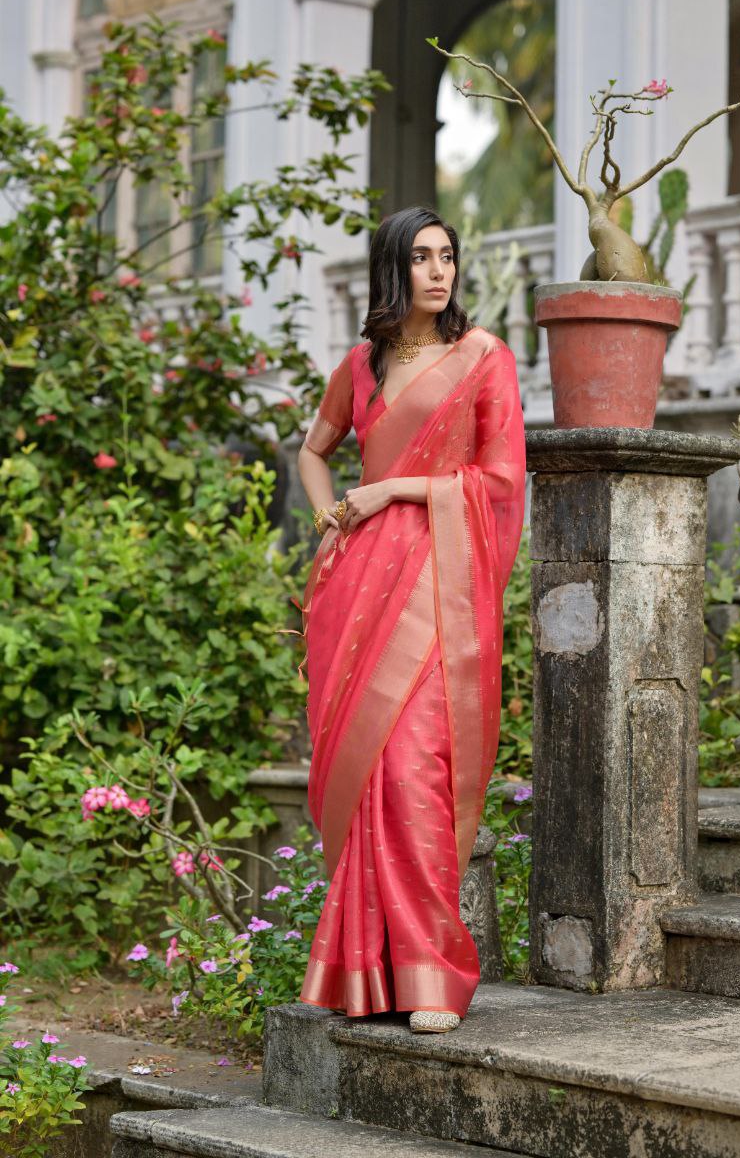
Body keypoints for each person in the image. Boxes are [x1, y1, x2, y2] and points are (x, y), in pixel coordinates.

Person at [295, 205, 526, 1033]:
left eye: (448, 256)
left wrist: (392, 489)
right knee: (361, 784)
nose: (439, 271)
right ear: (393, 269)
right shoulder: (359, 367)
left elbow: (499, 480)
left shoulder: (482, 358)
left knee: (413, 770)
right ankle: (363, 978)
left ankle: (432, 976)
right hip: (356, 586)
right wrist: (330, 523)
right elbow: (311, 451)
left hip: (438, 584)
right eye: (422, 257)